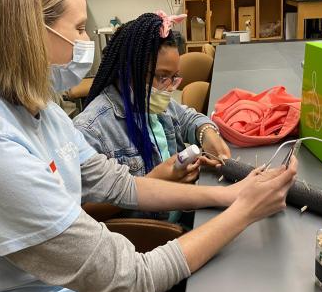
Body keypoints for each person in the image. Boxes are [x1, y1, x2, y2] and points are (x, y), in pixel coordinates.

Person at [0, 0, 297, 292]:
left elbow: (121, 184)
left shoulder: (43, 113)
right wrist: (246, 210)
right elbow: (134, 280)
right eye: (81, 29)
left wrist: (232, 197)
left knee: (197, 290)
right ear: (29, 35)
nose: (89, 42)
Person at [74, 12, 230, 188]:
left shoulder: (153, 102)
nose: (170, 87)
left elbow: (188, 118)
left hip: (180, 204)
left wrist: (207, 134)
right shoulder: (91, 130)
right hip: (150, 215)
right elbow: (84, 207)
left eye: (174, 77)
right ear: (129, 70)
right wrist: (154, 182)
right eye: (162, 77)